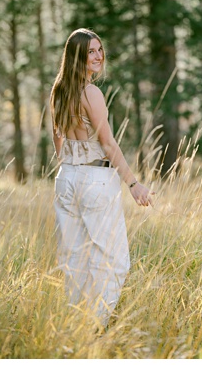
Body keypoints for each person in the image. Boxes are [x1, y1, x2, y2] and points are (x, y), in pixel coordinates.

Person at [49, 28, 152, 329]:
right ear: (77, 58)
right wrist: (133, 184)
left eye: (99, 49)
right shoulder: (90, 92)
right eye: (90, 52)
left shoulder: (58, 91)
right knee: (115, 262)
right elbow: (108, 144)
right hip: (95, 178)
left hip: (66, 177)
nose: (97, 56)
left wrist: (74, 160)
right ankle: (94, 328)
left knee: (75, 261)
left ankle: (76, 327)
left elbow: (58, 144)